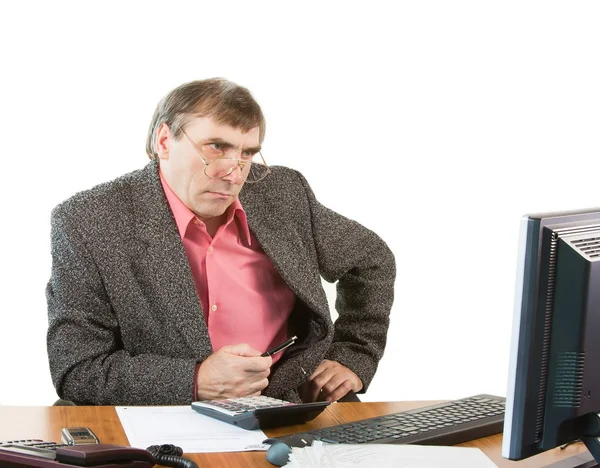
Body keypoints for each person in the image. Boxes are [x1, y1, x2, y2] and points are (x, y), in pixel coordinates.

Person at [46, 78, 396, 406]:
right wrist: (195, 379)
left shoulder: (281, 192)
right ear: (164, 141)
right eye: (217, 147)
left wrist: (353, 355)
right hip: (161, 415)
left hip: (285, 403)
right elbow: (77, 369)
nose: (234, 172)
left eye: (246, 153)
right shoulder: (87, 221)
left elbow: (371, 261)